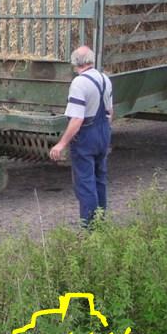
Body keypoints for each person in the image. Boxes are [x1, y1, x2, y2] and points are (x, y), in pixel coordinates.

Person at [49, 46, 113, 226]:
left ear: (74, 63)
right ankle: (101, 223)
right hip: (103, 132)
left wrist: (61, 144)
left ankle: (90, 228)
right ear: (91, 60)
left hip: (86, 135)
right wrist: (105, 133)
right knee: (100, 180)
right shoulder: (105, 79)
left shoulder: (79, 83)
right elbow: (110, 112)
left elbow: (77, 119)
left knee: (85, 183)